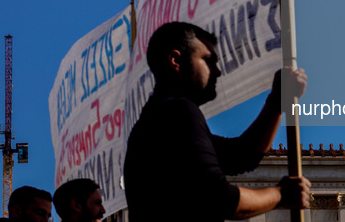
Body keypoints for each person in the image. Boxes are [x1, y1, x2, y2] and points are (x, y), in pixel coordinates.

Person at [123, 22, 311, 221]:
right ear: (175, 60)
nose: (218, 71)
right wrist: (282, 194)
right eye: (207, 60)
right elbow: (220, 198)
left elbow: (242, 155)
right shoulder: (178, 111)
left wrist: (276, 101)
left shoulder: (157, 120)